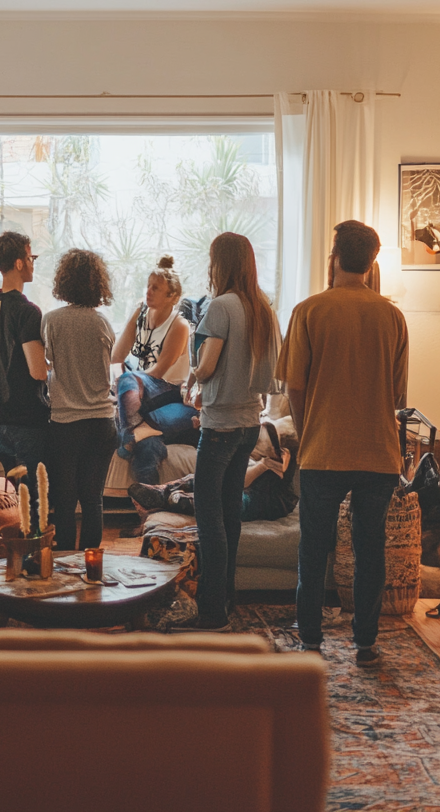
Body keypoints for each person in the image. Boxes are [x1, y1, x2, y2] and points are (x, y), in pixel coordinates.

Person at [281, 220, 409, 667]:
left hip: (324, 449)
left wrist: (305, 428)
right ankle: (366, 644)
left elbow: (294, 386)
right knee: (370, 548)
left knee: (314, 548)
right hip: (378, 451)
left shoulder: (309, 310)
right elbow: (396, 394)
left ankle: (311, 641)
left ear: (334, 258)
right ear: (372, 262)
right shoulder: (392, 315)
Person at [177, 233, 280, 631]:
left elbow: (207, 367)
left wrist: (192, 368)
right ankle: (228, 599)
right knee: (230, 516)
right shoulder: (262, 306)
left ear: (220, 263)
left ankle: (212, 612)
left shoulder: (220, 307)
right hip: (249, 424)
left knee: (209, 518)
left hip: (220, 427)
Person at [43, 249, 120, 549]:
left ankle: (64, 565)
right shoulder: (103, 322)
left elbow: (46, 364)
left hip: (66, 423)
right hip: (102, 421)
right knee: (93, 500)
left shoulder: (51, 321)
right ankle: (91, 568)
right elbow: (106, 374)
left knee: (65, 499)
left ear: (63, 281)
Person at [111, 255, 198, 486]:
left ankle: (128, 433)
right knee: (147, 445)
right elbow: (116, 356)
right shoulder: (142, 316)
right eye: (148, 286)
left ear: (173, 297)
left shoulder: (178, 325)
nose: (148, 292)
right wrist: (133, 317)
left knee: (127, 380)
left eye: (156, 288)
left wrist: (128, 384)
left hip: (168, 393)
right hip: (145, 397)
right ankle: (148, 511)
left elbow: (159, 373)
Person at [0, 231, 49, 526]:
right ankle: (37, 566)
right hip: (28, 425)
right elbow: (38, 371)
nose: (34, 264)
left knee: (20, 506)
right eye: (31, 257)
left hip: (1, 427)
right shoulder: (28, 312)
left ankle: (18, 563)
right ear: (20, 262)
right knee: (36, 511)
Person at [128, 416, 297, 523]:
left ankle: (174, 500)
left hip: (260, 503)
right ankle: (162, 492)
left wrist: (264, 465)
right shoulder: (265, 458)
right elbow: (240, 480)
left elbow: (243, 485)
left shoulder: (284, 468)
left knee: (227, 502)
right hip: (249, 490)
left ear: (283, 454)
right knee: (199, 478)